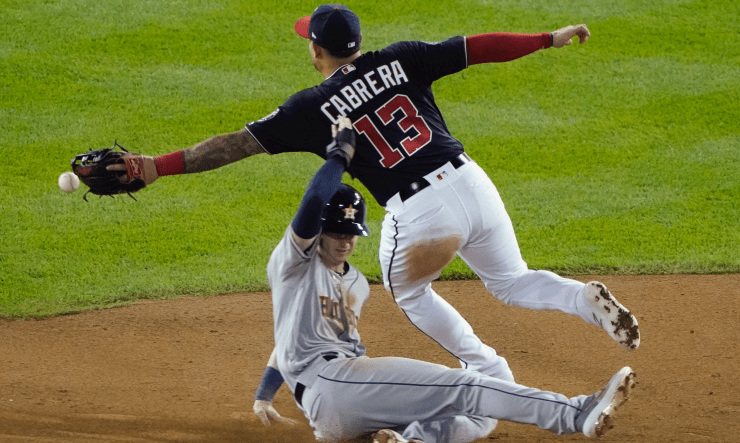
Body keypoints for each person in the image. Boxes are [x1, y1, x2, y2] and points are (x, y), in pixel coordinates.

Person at [118, 2, 639, 391]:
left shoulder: (309, 106)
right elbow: (478, 48)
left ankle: (485, 369)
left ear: (315, 50)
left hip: (421, 212)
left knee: (410, 293)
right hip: (471, 181)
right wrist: (549, 37)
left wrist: (158, 167)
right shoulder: (402, 57)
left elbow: (234, 146)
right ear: (359, 41)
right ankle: (581, 300)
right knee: (510, 280)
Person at [253, 116, 636, 443]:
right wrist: (340, 153)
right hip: (336, 383)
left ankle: (414, 438)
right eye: (337, 233)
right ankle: (575, 413)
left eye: (352, 233)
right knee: (465, 387)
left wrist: (264, 396)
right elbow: (312, 202)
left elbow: (285, 340)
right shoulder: (293, 263)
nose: (346, 241)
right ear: (317, 232)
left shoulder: (353, 283)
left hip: (339, 411)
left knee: (478, 419)